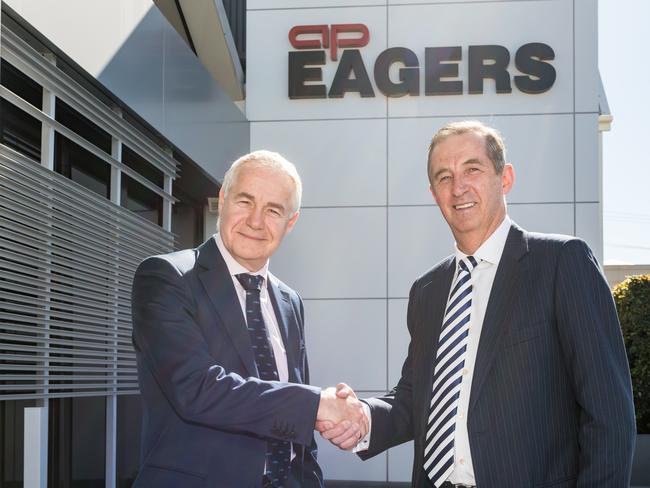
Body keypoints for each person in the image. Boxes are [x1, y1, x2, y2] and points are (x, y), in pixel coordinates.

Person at [319, 121, 636, 487]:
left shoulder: (562, 263)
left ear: (505, 178)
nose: (458, 187)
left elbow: (610, 417)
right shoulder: (427, 290)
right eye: (444, 176)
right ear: (434, 193)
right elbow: (414, 397)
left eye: (472, 169)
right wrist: (364, 417)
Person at [131, 150, 366, 488]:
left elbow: (297, 426)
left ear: (291, 221)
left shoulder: (290, 302)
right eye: (245, 202)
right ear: (222, 200)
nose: (256, 221)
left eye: (273, 210)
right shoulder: (168, 278)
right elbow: (197, 389)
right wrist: (316, 405)